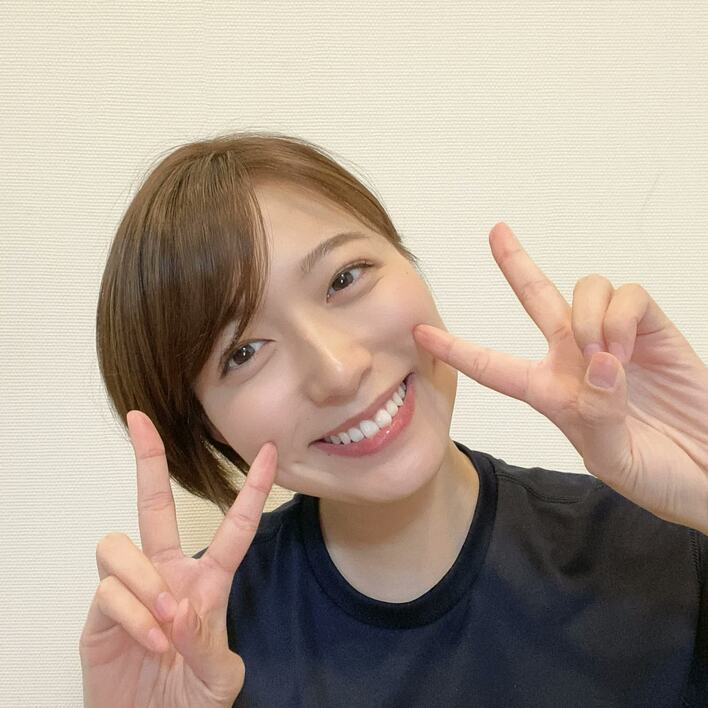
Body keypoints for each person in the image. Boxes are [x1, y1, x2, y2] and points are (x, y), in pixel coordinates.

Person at [79, 131, 708, 707]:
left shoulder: (665, 549)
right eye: (243, 352)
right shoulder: (194, 646)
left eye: (344, 278)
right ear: (210, 427)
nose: (337, 369)